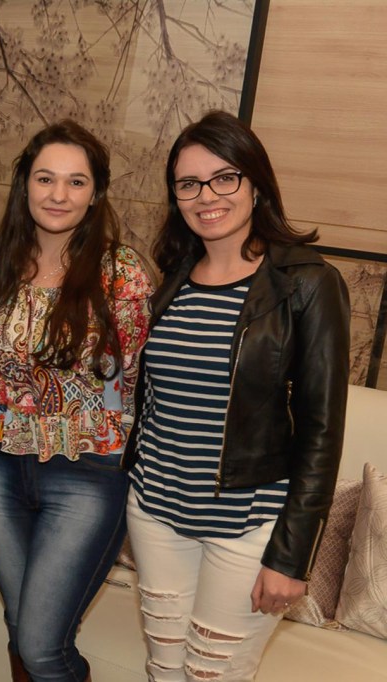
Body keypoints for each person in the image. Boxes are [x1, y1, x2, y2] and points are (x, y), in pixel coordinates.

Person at [124, 110, 350, 680]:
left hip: (250, 525)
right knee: (164, 668)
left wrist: (291, 556)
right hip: (157, 513)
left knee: (213, 675)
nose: (207, 196)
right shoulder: (173, 275)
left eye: (224, 178)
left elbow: (323, 433)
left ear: (256, 183)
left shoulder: (307, 283)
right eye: (189, 184)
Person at [0, 121, 153, 682]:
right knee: (19, 627)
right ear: (25, 184)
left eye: (76, 182)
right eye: (46, 179)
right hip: (2, 468)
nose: (58, 194)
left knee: (45, 647)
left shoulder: (122, 275)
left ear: (95, 193)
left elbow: (135, 390)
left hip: (87, 476)